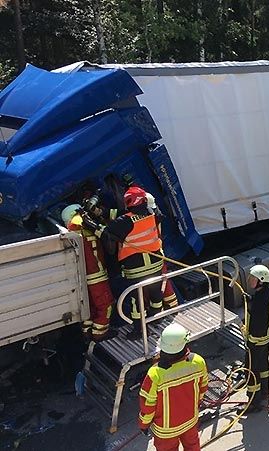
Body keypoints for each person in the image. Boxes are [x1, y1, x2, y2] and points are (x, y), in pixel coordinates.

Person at [84, 186, 167, 340]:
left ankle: (140, 330)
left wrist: (91, 224)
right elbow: (123, 215)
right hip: (156, 263)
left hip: (137, 269)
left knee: (137, 300)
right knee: (156, 293)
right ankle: (157, 318)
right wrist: (101, 212)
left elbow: (107, 234)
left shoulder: (125, 221)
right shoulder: (154, 214)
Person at [138, 324, 208, 451]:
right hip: (190, 421)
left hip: (165, 431)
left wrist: (144, 424)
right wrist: (194, 406)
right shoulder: (198, 362)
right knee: (193, 447)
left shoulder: (155, 374)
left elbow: (148, 405)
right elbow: (202, 389)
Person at [61, 204, 116, 341]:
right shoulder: (84, 228)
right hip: (96, 276)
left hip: (82, 278)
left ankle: (87, 333)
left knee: (89, 307)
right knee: (106, 305)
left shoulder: (69, 233)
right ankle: (100, 334)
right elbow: (106, 234)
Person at [241, 264, 269, 414]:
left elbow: (256, 317)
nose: (250, 280)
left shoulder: (260, 299)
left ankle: (253, 402)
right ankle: (264, 390)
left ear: (261, 280)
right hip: (265, 339)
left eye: (253, 278)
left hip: (256, 340)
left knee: (252, 370)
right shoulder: (267, 293)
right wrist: (250, 299)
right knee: (263, 365)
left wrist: (246, 333)